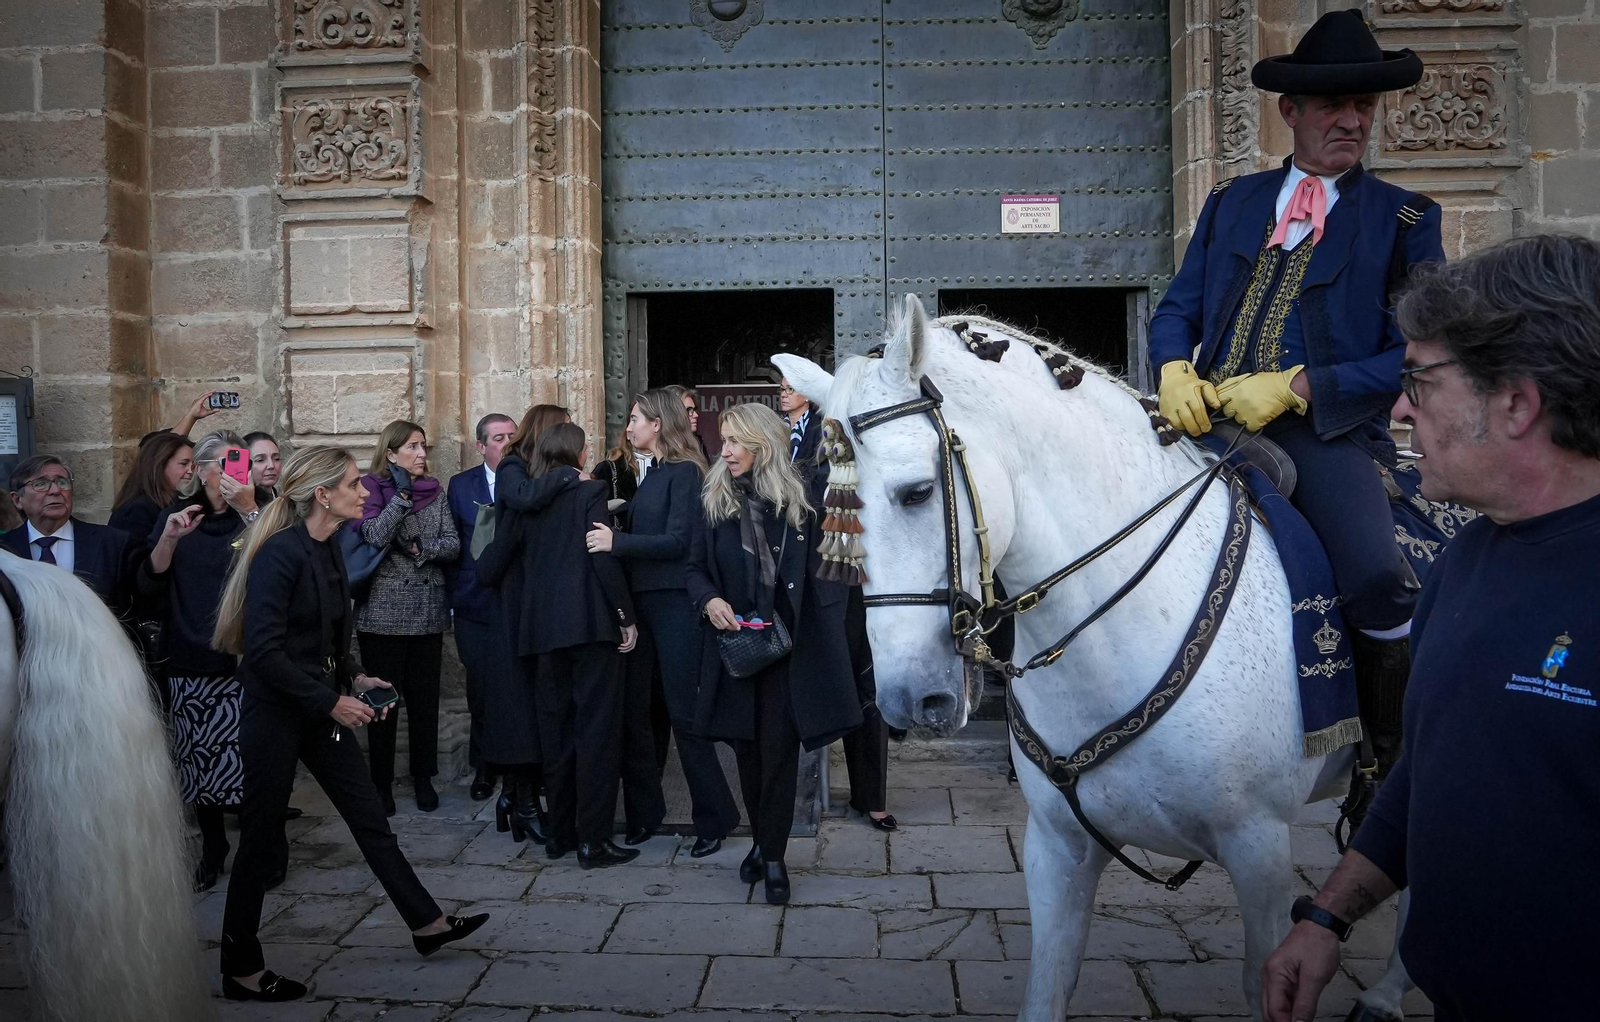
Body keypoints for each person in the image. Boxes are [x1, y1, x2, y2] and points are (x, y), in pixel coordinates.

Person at [1261, 235, 1600, 1020]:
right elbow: (1432, 771)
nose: (1401, 405)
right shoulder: (1464, 557)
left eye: (1418, 380)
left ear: (1516, 401)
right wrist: (1328, 915)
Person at [1147, 9, 1444, 798]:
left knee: (1380, 576)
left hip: (1325, 434)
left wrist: (1300, 385)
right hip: (1205, 419)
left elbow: (1420, 350)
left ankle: (1384, 767)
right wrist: (1174, 368)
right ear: (1292, 112)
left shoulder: (1406, 218)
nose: (1352, 120)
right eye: (1333, 107)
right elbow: (1177, 306)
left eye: (1364, 107)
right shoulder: (1232, 202)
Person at [212, 445, 487, 1002]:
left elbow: (336, 637)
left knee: (369, 818)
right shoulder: (280, 555)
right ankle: (239, 966)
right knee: (261, 839)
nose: (365, 493)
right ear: (323, 494)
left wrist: (356, 678)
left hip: (317, 705)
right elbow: (262, 653)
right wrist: (330, 701)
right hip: (276, 712)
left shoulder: (332, 546)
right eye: (355, 484)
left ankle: (426, 925)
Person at [687, 402, 862, 904]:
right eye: (723, 442)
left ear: (763, 444)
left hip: (789, 650)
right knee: (746, 752)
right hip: (737, 649)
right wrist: (710, 600)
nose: (726, 451)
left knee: (780, 754)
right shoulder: (713, 500)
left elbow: (832, 574)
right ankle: (763, 840)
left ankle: (774, 855)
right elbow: (693, 568)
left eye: (735, 442)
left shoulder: (803, 504)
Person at [140, 430, 273, 891]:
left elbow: (279, 559)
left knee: (255, 764)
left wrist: (249, 509)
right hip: (190, 657)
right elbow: (149, 586)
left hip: (246, 661)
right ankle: (214, 847)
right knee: (200, 766)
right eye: (225, 465)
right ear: (198, 471)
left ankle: (266, 849)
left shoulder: (260, 515)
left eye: (241, 464)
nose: (236, 474)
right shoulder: (177, 517)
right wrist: (170, 539)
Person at [586, 389, 710, 850]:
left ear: (658, 423)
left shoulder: (686, 473)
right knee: (637, 715)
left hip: (676, 606)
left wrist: (617, 543)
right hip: (643, 607)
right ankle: (645, 813)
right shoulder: (654, 474)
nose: (629, 425)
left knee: (685, 716)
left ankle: (713, 818)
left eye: (636, 418)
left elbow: (678, 541)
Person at [519, 422, 640, 868]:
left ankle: (559, 834)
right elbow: (601, 557)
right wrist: (626, 617)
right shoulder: (588, 492)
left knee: (556, 735)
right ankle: (593, 841)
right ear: (573, 453)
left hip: (542, 632)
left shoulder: (526, 498)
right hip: (589, 627)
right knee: (597, 735)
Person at [782, 376, 895, 831]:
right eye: (782, 385)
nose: (783, 391)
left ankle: (871, 797)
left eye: (792, 385)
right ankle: (797, 796)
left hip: (844, 580)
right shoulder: (772, 432)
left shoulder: (835, 435)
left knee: (863, 687)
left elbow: (837, 497)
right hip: (794, 579)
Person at [477, 403, 575, 844]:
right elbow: (521, 502)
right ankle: (521, 801)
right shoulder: (516, 467)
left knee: (534, 704)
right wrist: (569, 476)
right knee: (517, 704)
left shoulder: (534, 472)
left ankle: (517, 798)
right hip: (510, 603)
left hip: (532, 602)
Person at [356, 420, 460, 815]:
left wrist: (424, 549)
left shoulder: (436, 492)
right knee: (382, 703)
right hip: (381, 613)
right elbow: (375, 535)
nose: (422, 455)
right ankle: (380, 782)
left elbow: (452, 543)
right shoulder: (370, 489)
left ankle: (423, 777)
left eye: (424, 446)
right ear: (392, 454)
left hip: (427, 611)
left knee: (424, 702)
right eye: (413, 447)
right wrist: (400, 495)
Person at [447, 412, 517, 802]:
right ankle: (485, 767)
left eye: (511, 436)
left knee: (517, 687)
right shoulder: (461, 486)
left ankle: (521, 770)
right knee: (481, 690)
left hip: (517, 603)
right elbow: (454, 543)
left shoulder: (526, 481)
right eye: (498, 438)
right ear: (481, 445)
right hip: (475, 604)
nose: (506, 443)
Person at [3, 455, 142, 618]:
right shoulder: (4, 549)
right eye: (41, 484)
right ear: (17, 500)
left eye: (62, 482)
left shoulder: (112, 543)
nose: (55, 491)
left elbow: (145, 595)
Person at [110, 431, 196, 543]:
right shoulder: (136, 511)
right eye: (184, 464)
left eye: (193, 465)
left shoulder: (176, 501)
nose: (191, 471)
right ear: (160, 465)